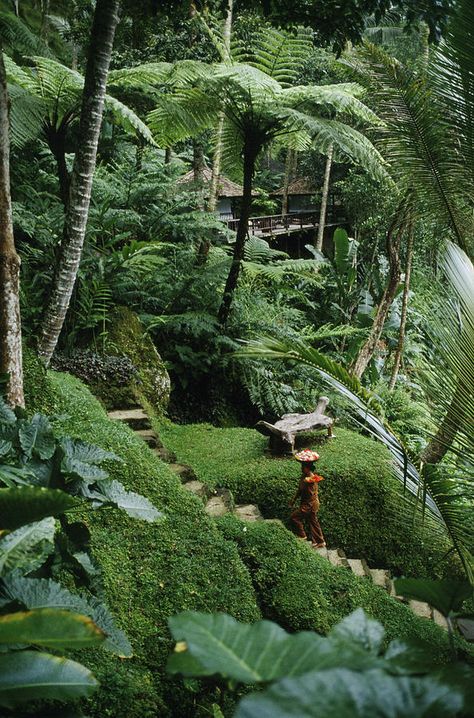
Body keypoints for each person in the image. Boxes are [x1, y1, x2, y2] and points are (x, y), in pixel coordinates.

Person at [289, 448, 326, 548]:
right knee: (313, 522)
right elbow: (300, 490)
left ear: (307, 468)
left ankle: (302, 535)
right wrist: (294, 500)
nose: (301, 468)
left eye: (303, 467)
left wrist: (306, 508)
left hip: (310, 505)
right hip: (308, 504)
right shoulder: (304, 477)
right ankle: (320, 541)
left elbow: (311, 495)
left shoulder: (311, 479)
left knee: (295, 517)